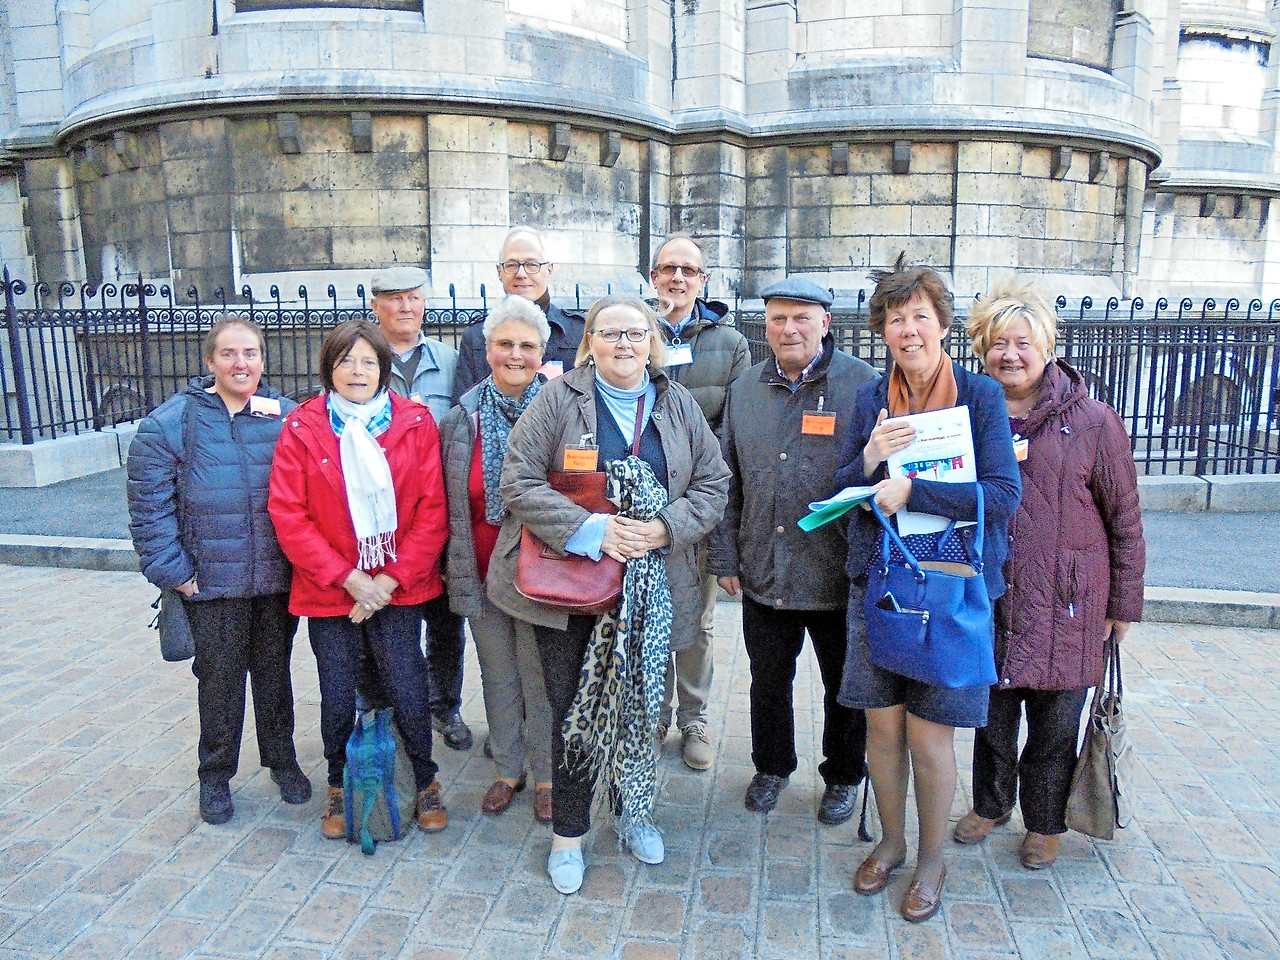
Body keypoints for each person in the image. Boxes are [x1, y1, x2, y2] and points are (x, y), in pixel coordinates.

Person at [487, 295, 730, 895]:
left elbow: (714, 481)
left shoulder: (677, 404)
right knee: (573, 711)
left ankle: (631, 811)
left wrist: (665, 527)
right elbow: (516, 479)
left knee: (640, 707)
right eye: (610, 332)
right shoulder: (557, 399)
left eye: (635, 332)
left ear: (653, 342)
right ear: (588, 341)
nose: (624, 343)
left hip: (649, 589)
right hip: (571, 589)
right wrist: (594, 530)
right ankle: (569, 835)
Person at [834, 253, 1021, 923]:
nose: (907, 329)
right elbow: (839, 493)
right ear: (881, 329)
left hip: (954, 585)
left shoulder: (980, 397)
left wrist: (917, 489)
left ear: (941, 324)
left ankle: (932, 859)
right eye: (894, 318)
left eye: (919, 316)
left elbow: (1003, 494)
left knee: (930, 736)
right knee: (881, 730)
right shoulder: (868, 399)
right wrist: (868, 460)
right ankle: (889, 840)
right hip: (882, 582)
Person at [957, 277, 1145, 868]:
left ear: (1048, 347)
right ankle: (990, 804)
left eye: (1022, 343)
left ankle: (1045, 821)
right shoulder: (968, 414)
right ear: (981, 348)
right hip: (991, 593)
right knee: (990, 717)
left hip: (1069, 600)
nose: (1009, 355)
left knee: (1056, 724)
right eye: (997, 344)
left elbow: (1125, 519)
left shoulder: (1092, 422)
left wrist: (1123, 605)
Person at [268, 319, 451, 839]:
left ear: (383, 369)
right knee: (336, 691)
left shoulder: (414, 422)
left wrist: (388, 582)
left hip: (400, 585)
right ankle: (336, 784)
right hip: (332, 589)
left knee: (408, 684)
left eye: (368, 361)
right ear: (329, 367)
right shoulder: (304, 426)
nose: (357, 370)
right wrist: (350, 580)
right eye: (346, 360)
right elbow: (289, 514)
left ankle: (425, 779)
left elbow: (432, 511)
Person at [127, 315, 309, 825]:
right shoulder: (172, 423)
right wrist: (173, 572)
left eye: (250, 353)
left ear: (263, 359)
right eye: (228, 354)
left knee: (275, 677)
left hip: (274, 580)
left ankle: (283, 761)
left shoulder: (286, 417)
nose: (240, 364)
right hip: (211, 584)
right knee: (220, 681)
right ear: (210, 362)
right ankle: (215, 775)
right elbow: (150, 508)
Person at [709, 277, 877, 824]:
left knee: (843, 688)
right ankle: (772, 765)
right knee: (768, 680)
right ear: (766, 325)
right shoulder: (745, 390)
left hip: (837, 573)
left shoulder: (863, 386)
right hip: (765, 569)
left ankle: (844, 774)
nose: (789, 328)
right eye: (778, 318)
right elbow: (726, 478)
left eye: (802, 318)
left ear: (826, 323)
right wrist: (725, 557)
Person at [439, 295, 556, 824]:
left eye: (526, 346)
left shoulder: (563, 408)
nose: (515, 355)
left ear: (542, 352)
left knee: (541, 674)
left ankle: (550, 772)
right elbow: (447, 498)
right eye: (504, 344)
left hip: (543, 571)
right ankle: (508, 767)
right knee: (498, 672)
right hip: (483, 566)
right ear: (486, 350)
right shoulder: (462, 417)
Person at [650, 232, 752, 771]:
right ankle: (652, 716)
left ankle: (694, 718)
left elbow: (731, 428)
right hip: (640, 506)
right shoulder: (636, 331)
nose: (678, 279)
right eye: (668, 269)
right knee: (649, 612)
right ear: (653, 275)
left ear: (704, 280)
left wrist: (696, 486)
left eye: (689, 270)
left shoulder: (728, 343)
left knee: (699, 620)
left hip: (700, 505)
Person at [369, 265, 472, 752]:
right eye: (394, 299)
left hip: (443, 512)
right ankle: (391, 705)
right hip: (385, 519)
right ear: (376, 307)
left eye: (413, 297)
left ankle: (443, 707)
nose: (406, 306)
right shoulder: (361, 357)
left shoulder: (450, 360)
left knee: (447, 621)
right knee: (392, 621)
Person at [452, 227, 585, 401]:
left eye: (531, 265)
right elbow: (464, 409)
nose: (521, 274)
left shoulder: (577, 333)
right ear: (499, 272)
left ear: (550, 269)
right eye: (512, 265)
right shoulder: (476, 337)